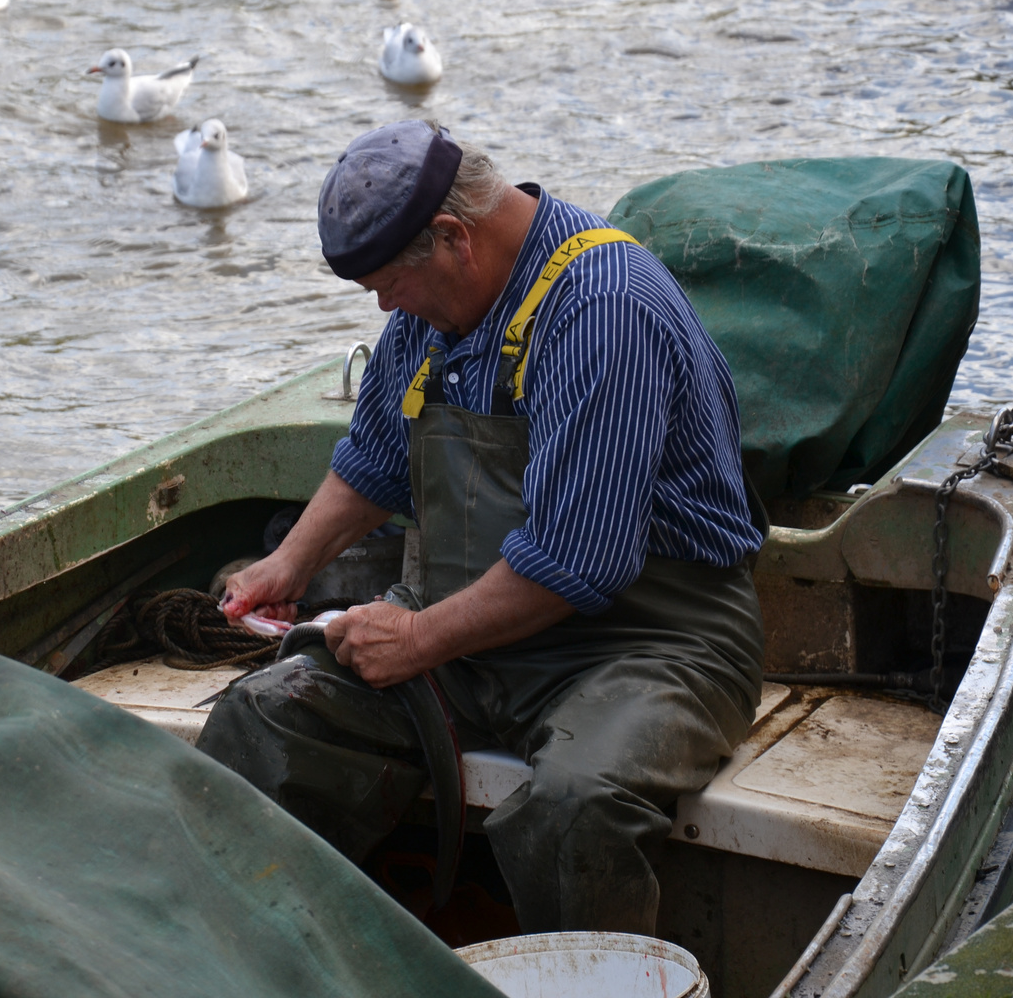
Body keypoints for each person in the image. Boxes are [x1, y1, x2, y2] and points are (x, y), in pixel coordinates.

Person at [194, 120, 767, 936]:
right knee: (266, 717)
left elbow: (578, 561)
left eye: (388, 285)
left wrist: (418, 637)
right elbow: (377, 460)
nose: (385, 308)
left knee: (575, 806)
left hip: (647, 643)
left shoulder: (604, 311)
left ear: (453, 238)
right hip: (473, 631)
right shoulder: (441, 309)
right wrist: (285, 565)